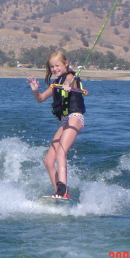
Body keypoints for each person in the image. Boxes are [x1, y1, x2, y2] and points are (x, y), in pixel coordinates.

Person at [27, 51, 86, 198]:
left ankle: (63, 191)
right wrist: (35, 90)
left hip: (75, 117)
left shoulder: (70, 77)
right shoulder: (55, 84)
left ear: (65, 63)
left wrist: (68, 85)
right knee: (48, 161)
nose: (54, 69)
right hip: (65, 120)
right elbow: (40, 99)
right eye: (51, 66)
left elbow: (69, 81)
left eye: (57, 65)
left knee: (61, 152)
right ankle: (60, 194)